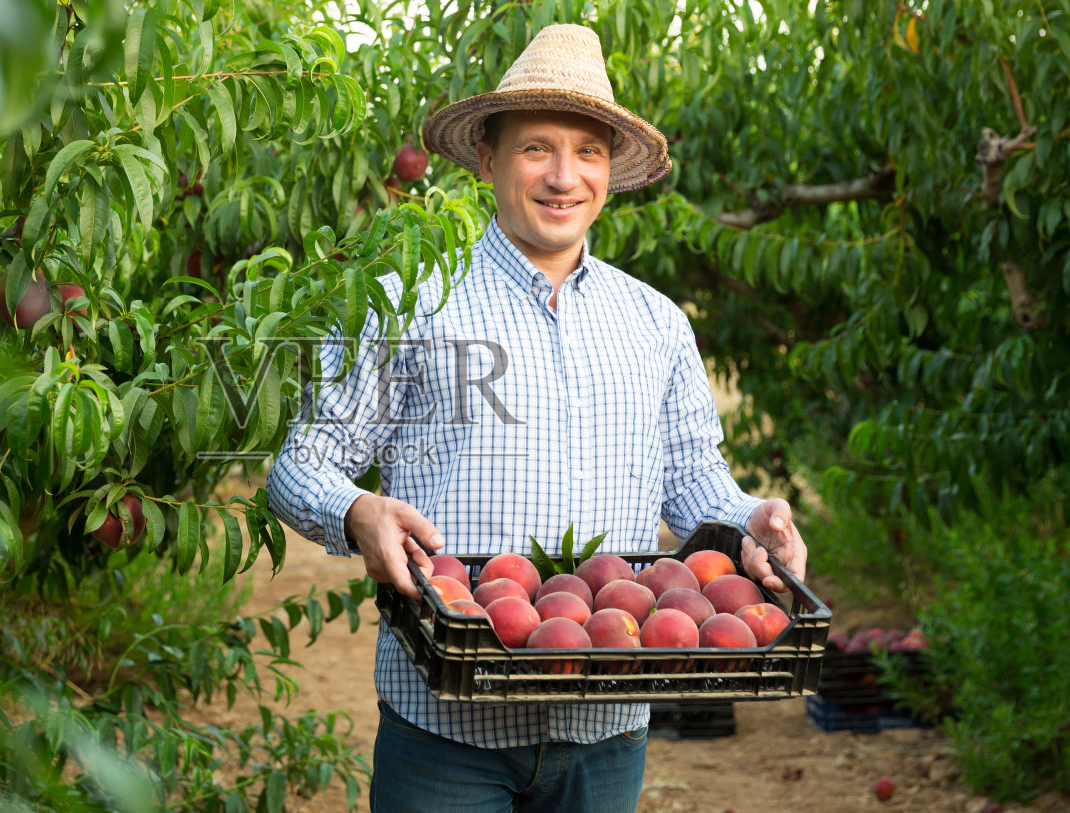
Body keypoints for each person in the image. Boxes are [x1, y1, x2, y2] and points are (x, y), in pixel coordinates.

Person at [265, 23, 808, 813]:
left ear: (609, 171)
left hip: (606, 730)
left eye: (587, 151)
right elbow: (300, 463)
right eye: (535, 149)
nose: (563, 176)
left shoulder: (655, 322)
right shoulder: (410, 300)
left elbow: (694, 481)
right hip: (448, 729)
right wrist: (356, 510)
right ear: (487, 160)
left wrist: (750, 519)